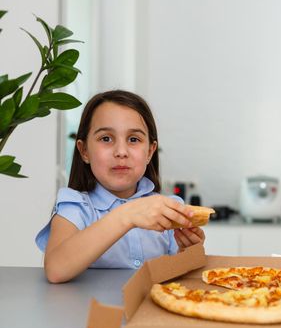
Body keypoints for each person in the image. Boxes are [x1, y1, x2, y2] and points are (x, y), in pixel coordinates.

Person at [35, 90, 205, 283]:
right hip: (89, 313)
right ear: (84, 151)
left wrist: (190, 251)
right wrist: (127, 214)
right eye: (106, 138)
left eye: (134, 139)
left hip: (149, 312)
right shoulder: (75, 206)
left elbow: (182, 281)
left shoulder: (168, 208)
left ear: (150, 152)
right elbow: (56, 269)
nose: (121, 152)